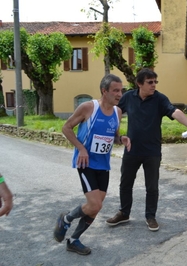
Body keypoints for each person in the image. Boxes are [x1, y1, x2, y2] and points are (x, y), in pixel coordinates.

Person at [106, 68, 187, 231]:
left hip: (152, 151)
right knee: (125, 183)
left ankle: (150, 216)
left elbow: (174, 111)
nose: (154, 85)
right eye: (150, 82)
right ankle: (124, 212)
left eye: (155, 82)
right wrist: (114, 132)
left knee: (152, 187)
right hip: (132, 149)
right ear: (139, 84)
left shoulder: (159, 99)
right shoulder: (128, 97)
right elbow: (115, 111)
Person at [53, 74, 131, 255]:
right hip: (86, 162)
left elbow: (114, 135)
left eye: (121, 90)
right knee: (95, 205)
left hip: (103, 165)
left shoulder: (118, 112)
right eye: (115, 91)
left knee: (95, 208)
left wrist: (122, 139)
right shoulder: (88, 107)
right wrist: (81, 148)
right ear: (104, 91)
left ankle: (73, 240)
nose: (119, 94)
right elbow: (66, 127)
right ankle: (66, 219)